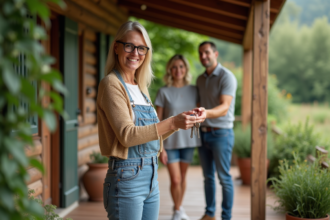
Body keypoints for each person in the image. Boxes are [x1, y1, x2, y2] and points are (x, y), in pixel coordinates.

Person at [97, 21, 206, 220]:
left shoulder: (141, 87)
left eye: (141, 48)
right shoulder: (111, 85)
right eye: (129, 46)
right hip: (127, 176)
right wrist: (173, 122)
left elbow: (152, 133)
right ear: (116, 47)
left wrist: (182, 122)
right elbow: (127, 136)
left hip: (152, 175)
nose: (135, 53)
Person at [155, 54, 201, 220]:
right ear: (170, 70)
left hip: (188, 140)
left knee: (182, 178)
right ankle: (177, 210)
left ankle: (178, 209)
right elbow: (158, 122)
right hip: (169, 142)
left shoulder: (194, 90)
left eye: (181, 66)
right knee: (175, 179)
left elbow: (200, 112)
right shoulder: (163, 91)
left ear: (186, 69)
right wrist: (160, 148)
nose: (178, 70)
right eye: (174, 67)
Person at [196, 41, 237, 220]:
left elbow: (224, 107)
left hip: (222, 134)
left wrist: (204, 113)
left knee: (224, 178)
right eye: (201, 53)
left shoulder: (227, 77)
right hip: (203, 133)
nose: (203, 56)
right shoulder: (199, 79)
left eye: (207, 52)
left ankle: (226, 217)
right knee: (208, 178)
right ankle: (209, 214)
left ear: (216, 54)